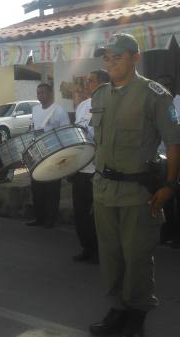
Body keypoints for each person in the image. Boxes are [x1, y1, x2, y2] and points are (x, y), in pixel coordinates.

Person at [88, 33, 180, 337]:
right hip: (104, 192)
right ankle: (117, 308)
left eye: (118, 57)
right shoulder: (100, 95)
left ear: (135, 58)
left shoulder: (156, 95)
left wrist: (170, 185)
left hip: (138, 193)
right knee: (111, 256)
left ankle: (136, 313)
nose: (111, 62)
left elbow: (174, 142)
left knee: (137, 257)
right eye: (107, 58)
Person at [70, 69, 110, 264]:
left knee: (99, 215)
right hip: (81, 170)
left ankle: (103, 252)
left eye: (91, 81)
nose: (87, 85)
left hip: (99, 171)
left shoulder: (111, 103)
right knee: (81, 213)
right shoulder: (83, 106)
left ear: (102, 83)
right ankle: (87, 247)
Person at [26, 83, 70, 228]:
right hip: (37, 155)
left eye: (43, 93)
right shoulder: (35, 109)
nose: (40, 96)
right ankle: (39, 218)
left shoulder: (59, 111)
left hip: (53, 154)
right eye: (38, 93)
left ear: (51, 93)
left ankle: (50, 220)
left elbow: (66, 134)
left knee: (52, 189)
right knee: (37, 188)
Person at [156, 74, 180, 249]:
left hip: (176, 157)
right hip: (161, 159)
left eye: (165, 86)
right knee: (165, 198)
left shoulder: (177, 103)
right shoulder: (156, 104)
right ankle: (167, 232)